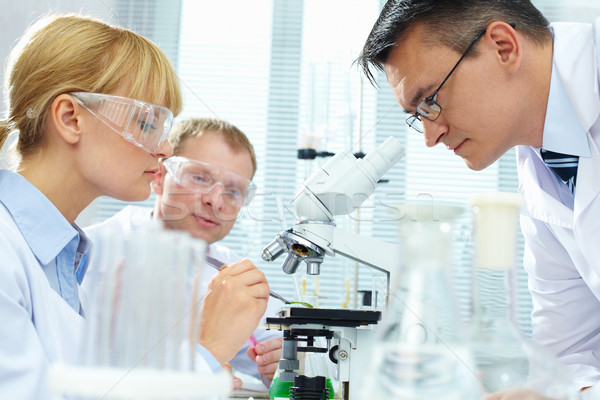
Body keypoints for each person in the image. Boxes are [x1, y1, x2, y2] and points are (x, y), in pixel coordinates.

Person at [0, 14, 268, 399]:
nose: (165, 149)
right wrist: (204, 356)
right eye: (146, 123)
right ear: (71, 118)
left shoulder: (68, 263)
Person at [358, 0, 600, 398]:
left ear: (503, 46)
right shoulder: (545, 166)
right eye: (418, 115)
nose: (430, 136)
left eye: (431, 100)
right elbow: (571, 354)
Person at [83, 117, 283, 386]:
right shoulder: (89, 253)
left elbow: (276, 350)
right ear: (159, 177)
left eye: (234, 191)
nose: (215, 200)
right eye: (200, 178)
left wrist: (282, 363)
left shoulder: (233, 276)